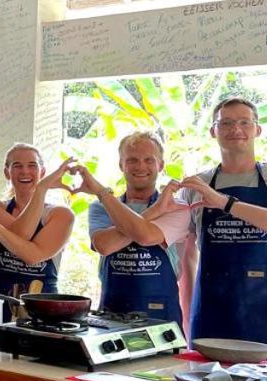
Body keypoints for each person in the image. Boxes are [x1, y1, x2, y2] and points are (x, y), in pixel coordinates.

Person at [179, 97, 267, 365]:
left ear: (257, 129)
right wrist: (186, 315)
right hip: (213, 311)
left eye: (244, 122)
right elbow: (186, 257)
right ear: (213, 131)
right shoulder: (196, 186)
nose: (235, 129)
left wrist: (225, 203)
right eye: (226, 123)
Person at [78, 132, 191, 324]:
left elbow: (145, 236)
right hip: (112, 315)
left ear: (161, 165)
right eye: (132, 160)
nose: (140, 166)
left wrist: (102, 193)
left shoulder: (176, 207)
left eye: (149, 160)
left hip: (161, 318)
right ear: (121, 164)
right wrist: (156, 210)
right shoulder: (101, 207)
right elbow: (104, 245)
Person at [0, 145, 74, 302]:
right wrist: (40, 189)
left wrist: (41, 188)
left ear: (42, 172)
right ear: (7, 172)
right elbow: (21, 233)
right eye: (17, 166)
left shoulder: (61, 215)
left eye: (32, 165)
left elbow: (32, 256)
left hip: (43, 305)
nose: (25, 171)